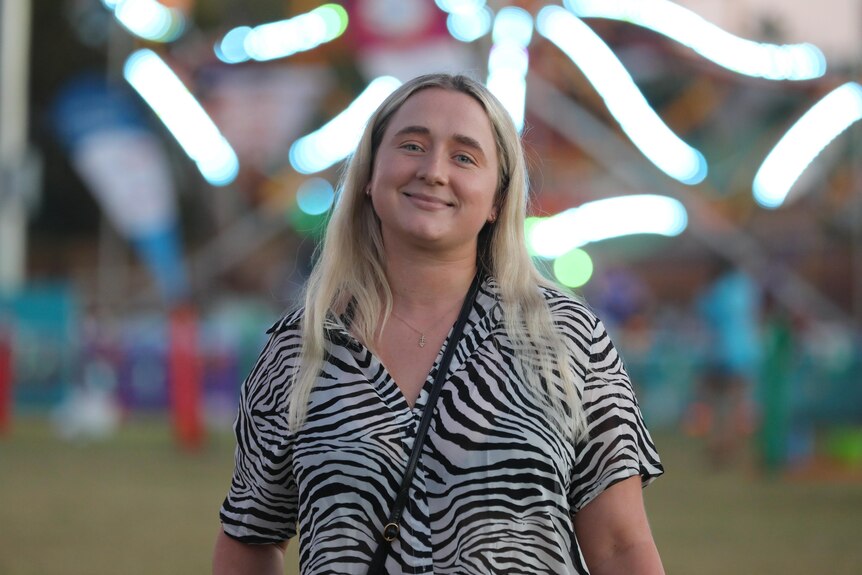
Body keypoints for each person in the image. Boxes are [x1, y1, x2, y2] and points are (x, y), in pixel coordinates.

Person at [213, 73, 664, 575]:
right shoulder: (299, 349)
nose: (433, 171)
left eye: (464, 157)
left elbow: (621, 546)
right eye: (411, 145)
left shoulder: (567, 339)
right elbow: (249, 537)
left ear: (497, 199)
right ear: (369, 173)